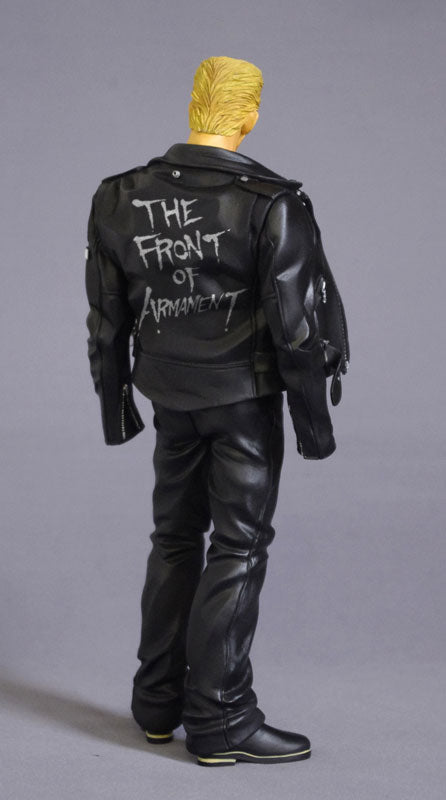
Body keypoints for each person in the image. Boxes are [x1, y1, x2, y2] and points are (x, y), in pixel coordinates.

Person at [84, 56, 350, 767]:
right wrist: (314, 425)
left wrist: (116, 406)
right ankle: (221, 717)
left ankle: (156, 702)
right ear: (249, 115)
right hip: (242, 403)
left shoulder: (119, 196)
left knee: (173, 538)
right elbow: (296, 328)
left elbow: (106, 319)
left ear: (194, 106)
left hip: (169, 396)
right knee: (238, 546)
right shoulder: (271, 202)